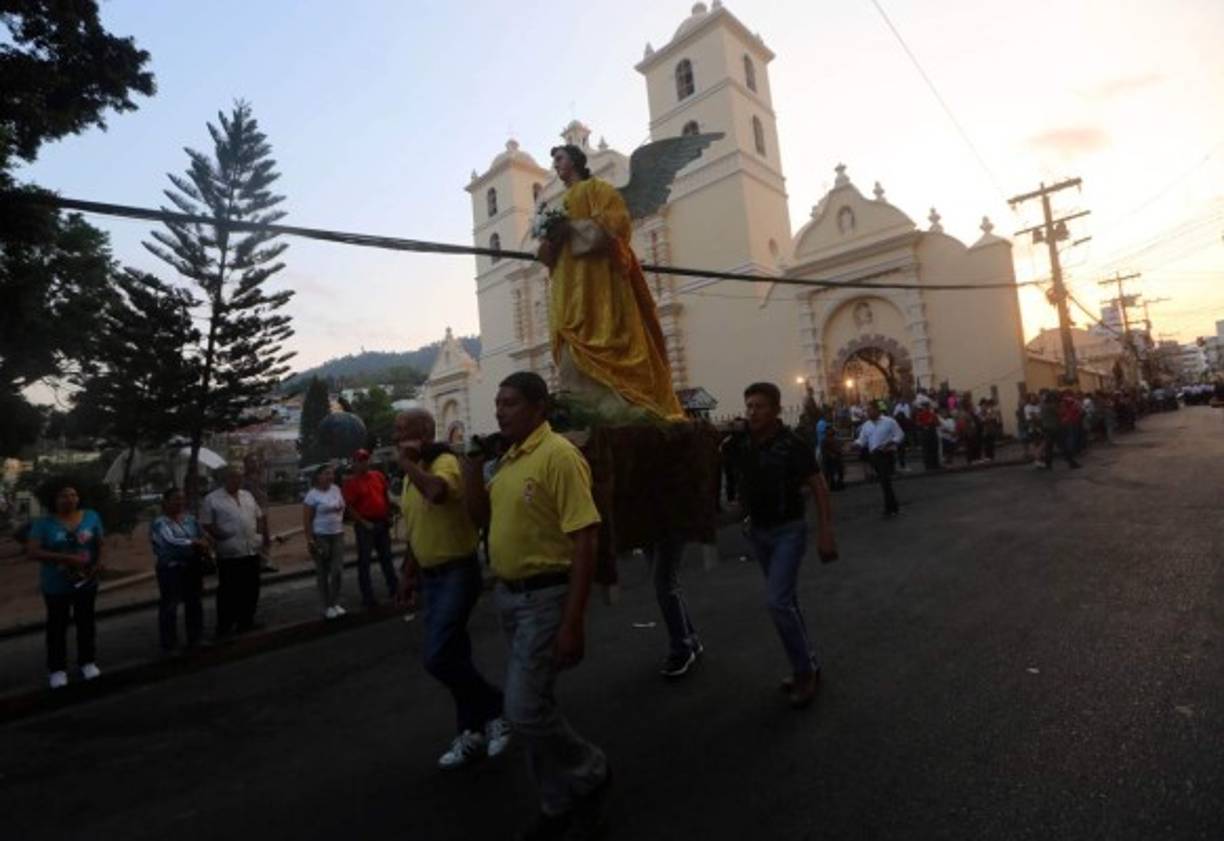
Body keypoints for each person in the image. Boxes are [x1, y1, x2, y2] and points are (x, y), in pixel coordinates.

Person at [461, 372, 610, 841]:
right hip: (509, 595)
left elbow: (584, 538)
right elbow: (479, 518)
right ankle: (555, 803)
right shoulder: (506, 462)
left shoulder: (558, 456)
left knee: (522, 710)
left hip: (546, 597)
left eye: (511, 403)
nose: (500, 410)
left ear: (539, 407)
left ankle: (590, 771)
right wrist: (470, 466)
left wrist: (573, 621)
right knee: (535, 705)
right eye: (497, 402)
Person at [393, 408, 510, 770]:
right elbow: (417, 529)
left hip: (458, 572)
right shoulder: (414, 472)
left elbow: (438, 493)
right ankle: (472, 730)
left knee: (438, 657)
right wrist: (409, 574)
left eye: (403, 430)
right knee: (456, 657)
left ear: (424, 432)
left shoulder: (445, 461)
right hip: (431, 577)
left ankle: (497, 707)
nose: (396, 437)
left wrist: (408, 464)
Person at [537, 143, 682, 421]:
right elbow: (547, 255)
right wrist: (549, 237)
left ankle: (613, 399)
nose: (555, 164)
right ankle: (579, 401)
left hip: (596, 282)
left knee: (602, 329)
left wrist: (571, 227)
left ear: (576, 161)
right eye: (553, 159)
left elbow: (616, 226)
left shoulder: (599, 189)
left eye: (560, 158)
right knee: (569, 343)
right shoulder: (556, 205)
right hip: (567, 284)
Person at [724, 382, 838, 710]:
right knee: (787, 602)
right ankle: (809, 663)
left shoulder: (793, 444)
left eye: (759, 406)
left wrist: (826, 531)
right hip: (758, 533)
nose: (752, 412)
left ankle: (804, 672)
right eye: (749, 406)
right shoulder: (741, 444)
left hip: (789, 531)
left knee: (777, 602)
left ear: (775, 409)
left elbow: (819, 486)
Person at [26, 479, 104, 688]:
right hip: (56, 584)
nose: (69, 499)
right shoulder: (43, 523)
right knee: (57, 627)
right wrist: (65, 559)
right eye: (63, 495)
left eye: (73, 494)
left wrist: (98, 563)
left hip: (86, 581)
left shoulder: (91, 516)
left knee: (86, 623)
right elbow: (32, 552)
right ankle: (57, 669)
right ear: (54, 499)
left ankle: (87, 662)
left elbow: (99, 542)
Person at [201, 466, 270, 636]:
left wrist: (259, 536)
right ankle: (225, 626)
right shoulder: (212, 499)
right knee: (229, 591)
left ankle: (246, 621)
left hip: (251, 550)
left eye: (239, 477)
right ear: (225, 479)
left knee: (251, 588)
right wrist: (220, 535)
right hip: (229, 553)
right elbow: (206, 523)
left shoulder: (247, 496)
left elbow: (259, 516)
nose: (237, 480)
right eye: (233, 477)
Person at [150, 488, 209, 652]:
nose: (180, 502)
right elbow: (169, 541)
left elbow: (202, 535)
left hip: (192, 567)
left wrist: (204, 542)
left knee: (194, 603)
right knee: (170, 606)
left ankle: (196, 638)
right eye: (175, 499)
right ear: (166, 502)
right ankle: (169, 644)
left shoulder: (190, 519)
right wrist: (194, 543)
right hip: (170, 569)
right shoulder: (159, 523)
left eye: (182, 499)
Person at [341, 449, 398, 608]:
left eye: (366, 459)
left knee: (387, 558)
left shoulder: (378, 476)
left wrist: (388, 514)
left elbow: (385, 495)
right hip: (365, 525)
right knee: (364, 561)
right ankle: (368, 597)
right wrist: (363, 522)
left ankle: (394, 589)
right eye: (360, 460)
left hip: (381, 522)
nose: (364, 463)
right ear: (354, 463)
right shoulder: (351, 483)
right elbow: (350, 507)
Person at [303, 464, 346, 619]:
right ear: (318, 477)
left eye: (332, 474)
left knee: (337, 571)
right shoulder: (312, 495)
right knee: (322, 572)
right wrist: (309, 540)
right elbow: (307, 521)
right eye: (327, 474)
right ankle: (326, 606)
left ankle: (335, 602)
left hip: (337, 535)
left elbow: (342, 507)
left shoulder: (336, 489)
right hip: (320, 537)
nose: (330, 477)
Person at [854, 402, 905, 517]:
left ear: (877, 410)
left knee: (885, 480)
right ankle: (893, 506)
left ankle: (889, 508)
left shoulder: (889, 421)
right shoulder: (866, 425)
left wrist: (892, 442)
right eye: (867, 411)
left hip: (885, 454)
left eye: (870, 410)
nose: (868, 413)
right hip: (874, 456)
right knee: (884, 482)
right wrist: (854, 444)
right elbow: (862, 440)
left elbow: (900, 435)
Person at [242, 452, 277, 573]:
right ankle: (257, 562)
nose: (255, 463)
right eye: (252, 461)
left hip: (263, 511)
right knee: (255, 537)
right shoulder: (244, 481)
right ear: (246, 464)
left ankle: (265, 561)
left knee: (265, 537)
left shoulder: (260, 477)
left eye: (256, 461)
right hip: (251, 512)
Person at [891, 395, 912, 471]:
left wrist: (907, 419)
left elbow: (908, 414)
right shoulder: (897, 406)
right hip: (899, 424)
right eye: (901, 399)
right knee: (900, 448)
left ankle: (907, 445)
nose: (902, 400)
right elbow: (895, 414)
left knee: (906, 438)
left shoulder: (907, 406)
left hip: (905, 423)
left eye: (904, 399)